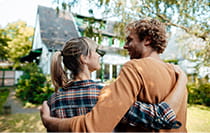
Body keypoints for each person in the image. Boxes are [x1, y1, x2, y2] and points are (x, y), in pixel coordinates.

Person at [40, 18, 188, 132]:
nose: (124, 46)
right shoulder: (176, 74)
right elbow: (162, 117)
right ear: (84, 58)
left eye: (129, 40)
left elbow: (94, 126)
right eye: (97, 51)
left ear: (147, 40)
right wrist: (182, 80)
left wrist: (49, 122)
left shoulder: (52, 100)